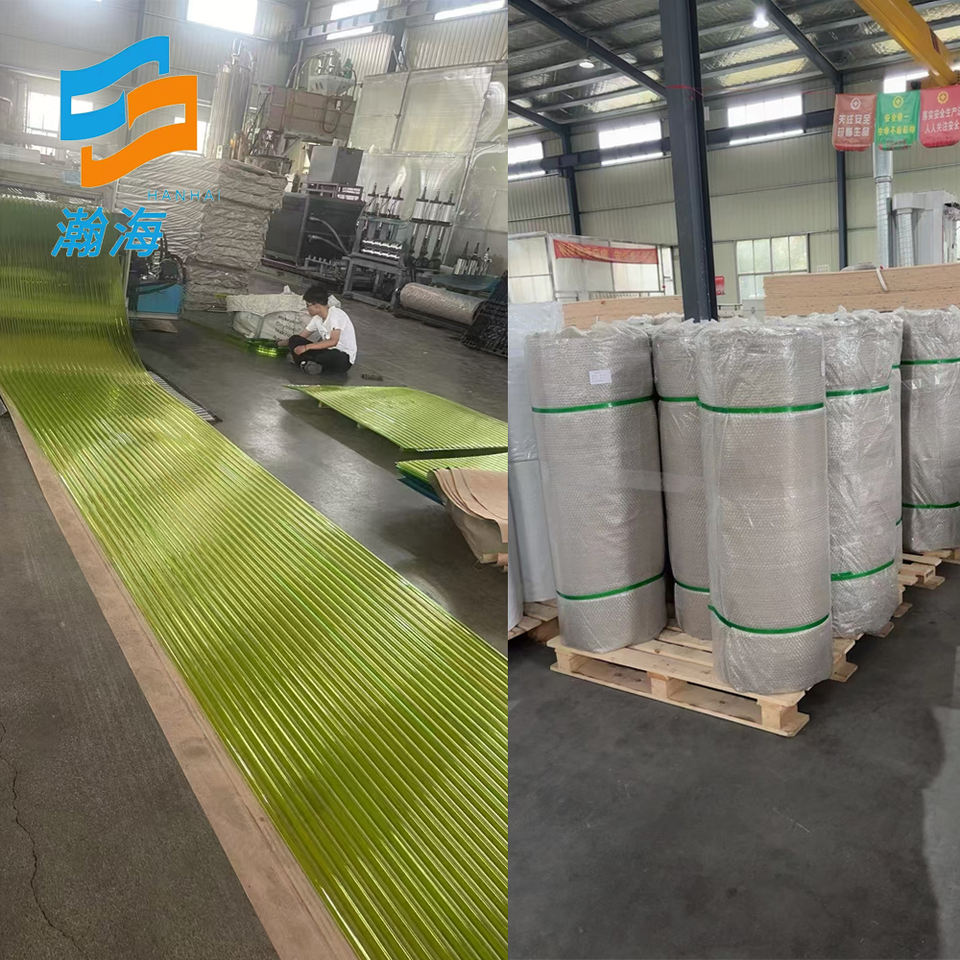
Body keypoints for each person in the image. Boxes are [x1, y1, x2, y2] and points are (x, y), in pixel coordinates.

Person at [278, 284, 358, 374]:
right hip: (326, 350)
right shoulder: (317, 318)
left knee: (329, 356)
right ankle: (309, 364)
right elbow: (302, 336)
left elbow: (333, 342)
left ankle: (302, 361)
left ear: (317, 305)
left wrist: (306, 347)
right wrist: (280, 343)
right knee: (295, 339)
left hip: (342, 357)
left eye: (308, 305)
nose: (307, 308)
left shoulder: (336, 315)